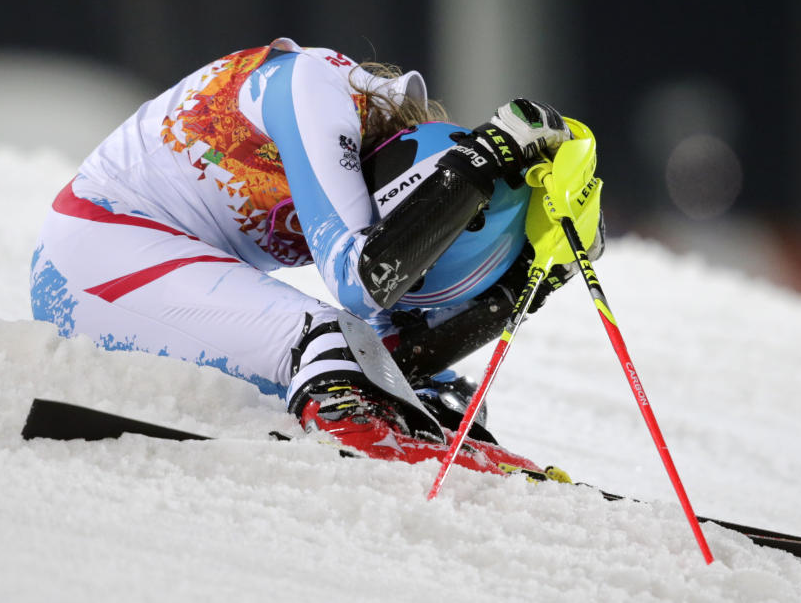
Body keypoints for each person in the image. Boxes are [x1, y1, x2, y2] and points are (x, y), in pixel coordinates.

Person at [30, 37, 604, 477]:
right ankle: (352, 429)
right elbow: (360, 282)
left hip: (148, 264)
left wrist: (527, 287)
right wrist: (481, 161)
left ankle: (397, 429)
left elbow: (394, 345)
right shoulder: (312, 88)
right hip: (94, 254)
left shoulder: (376, 162)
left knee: (411, 382)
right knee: (327, 340)